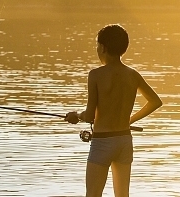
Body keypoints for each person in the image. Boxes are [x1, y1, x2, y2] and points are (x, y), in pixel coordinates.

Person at [66, 24, 163, 197]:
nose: (97, 49)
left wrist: (76, 115)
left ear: (103, 47)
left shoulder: (95, 75)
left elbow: (89, 115)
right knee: (122, 195)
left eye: (97, 45)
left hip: (103, 142)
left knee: (93, 194)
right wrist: (129, 121)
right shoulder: (132, 74)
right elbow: (155, 102)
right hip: (124, 140)